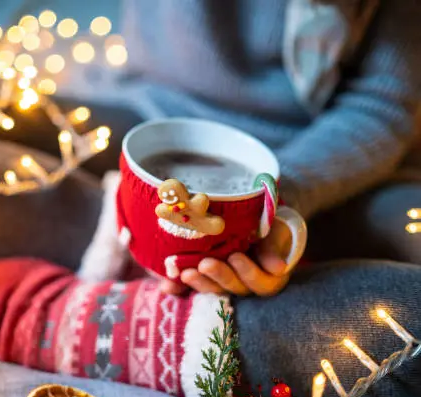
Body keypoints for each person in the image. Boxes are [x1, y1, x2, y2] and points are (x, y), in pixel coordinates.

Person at [77, 0, 420, 295]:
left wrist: (276, 200)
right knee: (28, 149)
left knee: (411, 239)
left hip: (320, 154)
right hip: (145, 111)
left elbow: (383, 105)